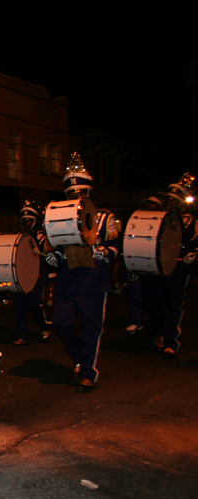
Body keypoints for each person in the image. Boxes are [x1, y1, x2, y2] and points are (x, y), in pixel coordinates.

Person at [45, 153, 120, 391]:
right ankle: (80, 358)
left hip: (93, 279)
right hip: (68, 279)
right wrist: (55, 258)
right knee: (60, 321)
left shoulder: (105, 217)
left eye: (80, 192)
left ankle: (88, 372)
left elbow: (116, 246)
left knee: (91, 328)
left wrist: (105, 252)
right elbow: (60, 247)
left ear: (88, 192)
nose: (75, 197)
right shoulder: (60, 216)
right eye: (71, 193)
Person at [143, 174, 197, 358]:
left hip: (179, 270)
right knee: (153, 301)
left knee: (173, 304)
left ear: (181, 204)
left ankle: (170, 342)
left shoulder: (192, 222)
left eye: (173, 201)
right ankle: (158, 334)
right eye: (167, 200)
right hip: (157, 268)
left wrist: (193, 255)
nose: (169, 203)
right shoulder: (157, 220)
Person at [11, 199, 54, 346]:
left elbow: (49, 259)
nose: (26, 223)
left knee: (35, 305)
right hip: (22, 277)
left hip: (38, 278)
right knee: (19, 306)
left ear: (35, 221)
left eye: (29, 220)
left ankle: (46, 326)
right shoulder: (19, 238)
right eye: (24, 221)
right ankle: (22, 335)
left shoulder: (43, 238)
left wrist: (50, 281)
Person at [124, 196, 162, 335]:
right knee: (134, 291)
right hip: (137, 261)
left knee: (154, 296)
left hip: (153, 263)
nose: (149, 206)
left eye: (153, 204)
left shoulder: (161, 220)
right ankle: (135, 320)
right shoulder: (137, 220)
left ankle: (156, 323)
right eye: (147, 203)